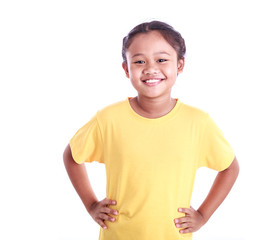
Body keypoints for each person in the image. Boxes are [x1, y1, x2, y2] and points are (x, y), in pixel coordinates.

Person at [63, 20, 239, 240]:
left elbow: (229, 168)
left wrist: (202, 215)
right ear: (127, 69)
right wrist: (91, 204)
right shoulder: (108, 120)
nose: (150, 69)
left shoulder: (198, 123)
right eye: (139, 61)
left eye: (161, 59)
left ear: (180, 65)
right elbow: (72, 155)